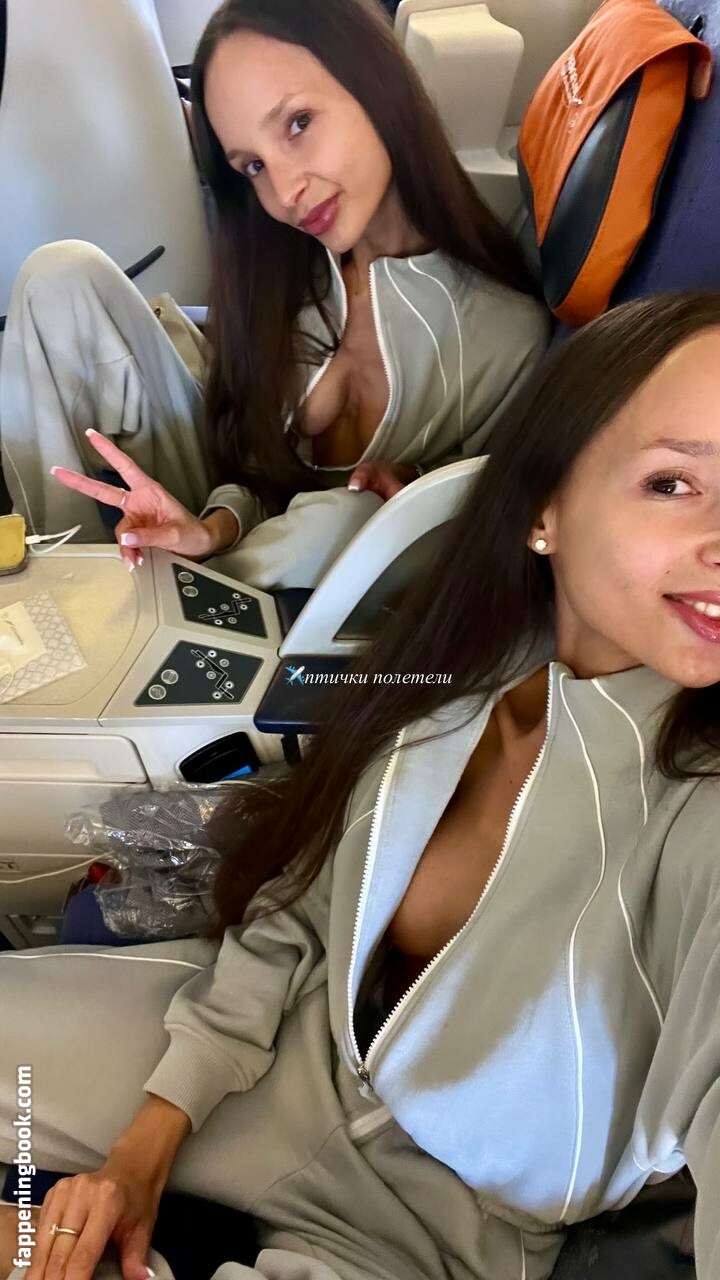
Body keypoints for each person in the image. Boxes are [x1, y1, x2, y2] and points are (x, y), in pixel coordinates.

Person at [3, 290, 720, 1280]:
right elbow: (304, 904)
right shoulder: (460, 666)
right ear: (544, 507)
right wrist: (139, 1152)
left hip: (434, 1231)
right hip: (273, 1060)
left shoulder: (701, 812)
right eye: (675, 482)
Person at [0, 0, 548, 592]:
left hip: (315, 588)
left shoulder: (506, 334)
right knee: (60, 275)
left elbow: (486, 540)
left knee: (341, 521)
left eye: (298, 123)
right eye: (253, 165)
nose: (285, 192)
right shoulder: (282, 268)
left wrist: (415, 483)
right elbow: (251, 464)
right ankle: (59, 589)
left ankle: (169, 607)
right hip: (224, 512)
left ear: (375, 85)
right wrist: (213, 528)